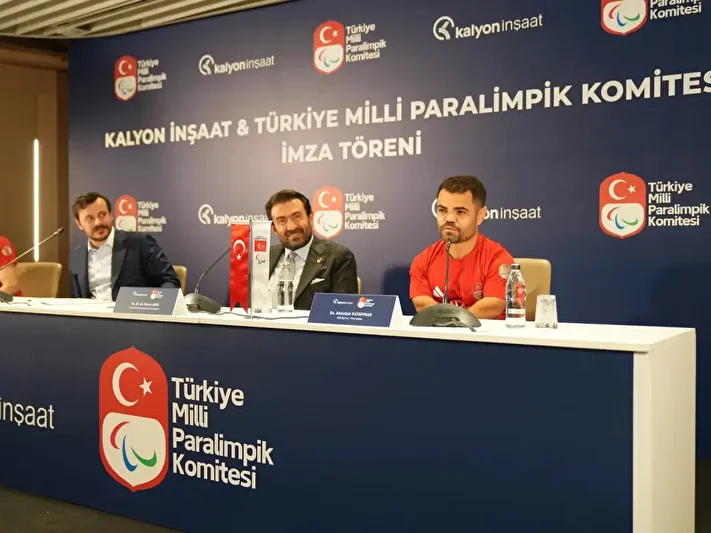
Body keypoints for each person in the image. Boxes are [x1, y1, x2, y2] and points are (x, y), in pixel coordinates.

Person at [409, 175, 515, 320]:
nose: (449, 218)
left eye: (460, 212)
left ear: (480, 215)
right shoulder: (423, 260)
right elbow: (421, 302)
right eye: (442, 210)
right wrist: (449, 322)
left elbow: (493, 305)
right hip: (439, 333)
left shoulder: (498, 258)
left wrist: (451, 320)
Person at [69, 192, 180, 300]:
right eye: (89, 218)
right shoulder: (76, 256)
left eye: (102, 215)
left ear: (111, 215)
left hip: (131, 310)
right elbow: (78, 299)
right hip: (90, 312)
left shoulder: (140, 243)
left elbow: (170, 282)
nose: (98, 222)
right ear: (79, 224)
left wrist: (151, 302)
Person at [266, 189, 358, 310]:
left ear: (310, 217)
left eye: (297, 216)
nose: (291, 227)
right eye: (282, 220)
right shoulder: (264, 257)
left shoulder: (339, 257)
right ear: (274, 228)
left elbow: (344, 312)